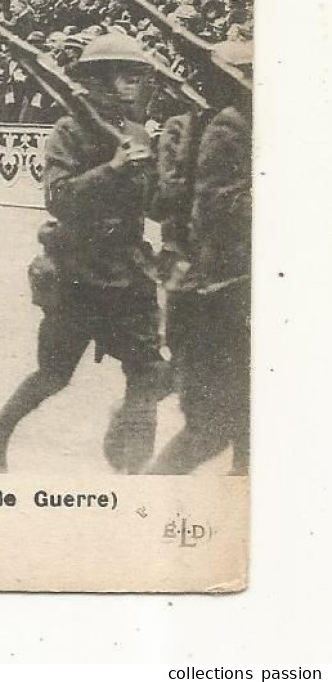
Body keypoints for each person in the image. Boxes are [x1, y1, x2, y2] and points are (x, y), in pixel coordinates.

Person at [0, 32, 169, 474]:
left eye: (138, 77)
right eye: (125, 77)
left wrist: (159, 177)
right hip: (79, 273)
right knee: (54, 375)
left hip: (129, 270)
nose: (133, 86)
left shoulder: (137, 132)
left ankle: (135, 471)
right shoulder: (69, 130)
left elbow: (154, 204)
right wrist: (113, 168)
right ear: (100, 79)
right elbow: (58, 198)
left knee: (146, 373)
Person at [150, 40, 252, 474]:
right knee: (210, 417)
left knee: (246, 409)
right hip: (206, 279)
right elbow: (203, 208)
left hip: (231, 280)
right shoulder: (212, 127)